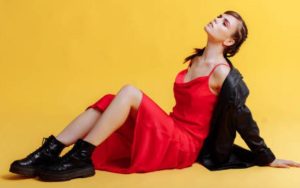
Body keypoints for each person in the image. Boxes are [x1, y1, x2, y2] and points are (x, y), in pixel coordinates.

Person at [9, 10, 300, 182]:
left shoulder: (222, 73)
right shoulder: (195, 61)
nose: (217, 20)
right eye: (219, 16)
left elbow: (242, 116)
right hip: (171, 129)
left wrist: (267, 157)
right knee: (112, 98)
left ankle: (80, 157)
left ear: (228, 41)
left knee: (130, 93)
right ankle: (50, 150)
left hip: (184, 145)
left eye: (225, 24)